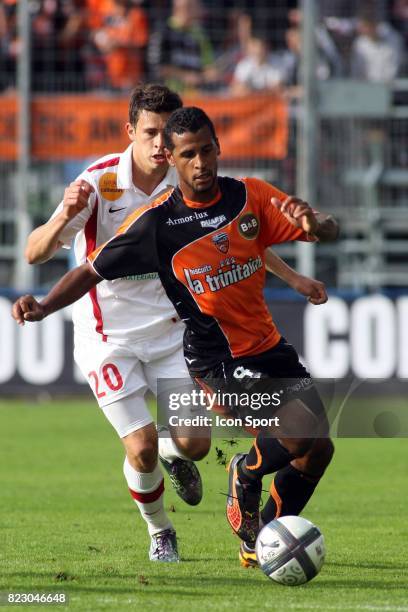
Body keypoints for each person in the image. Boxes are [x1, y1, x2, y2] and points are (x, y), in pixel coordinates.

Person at [21, 91, 327, 563]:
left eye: (180, 144)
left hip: (170, 334)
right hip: (112, 339)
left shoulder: (195, 182)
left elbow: (239, 235)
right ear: (133, 133)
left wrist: (297, 273)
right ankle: (162, 529)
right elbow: (46, 255)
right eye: (155, 136)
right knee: (141, 448)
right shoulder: (105, 187)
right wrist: (47, 284)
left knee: (205, 446)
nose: (167, 151)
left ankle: (255, 536)